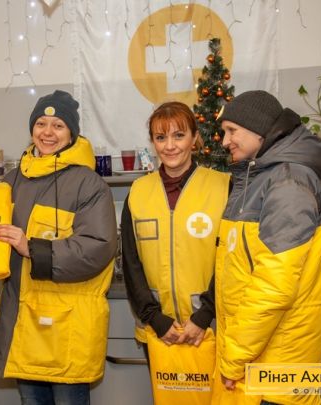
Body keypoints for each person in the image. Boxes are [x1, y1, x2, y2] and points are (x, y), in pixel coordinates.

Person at [0, 90, 117, 405]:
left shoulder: (89, 184)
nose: (48, 132)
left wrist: (30, 247)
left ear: (72, 133)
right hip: (23, 320)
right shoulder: (11, 181)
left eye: (58, 125)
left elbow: (97, 248)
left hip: (65, 327)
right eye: (41, 124)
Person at [213, 90, 321, 405]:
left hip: (277, 368)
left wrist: (234, 357)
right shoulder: (259, 178)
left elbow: (273, 287)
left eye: (231, 131)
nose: (225, 141)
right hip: (260, 357)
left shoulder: (288, 182)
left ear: (259, 129)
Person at [120, 102, 230, 386]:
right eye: (161, 137)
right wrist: (154, 318)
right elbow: (131, 263)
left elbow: (232, 261)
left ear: (194, 138)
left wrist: (204, 315)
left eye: (179, 135)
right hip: (159, 330)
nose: (169, 146)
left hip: (211, 328)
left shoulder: (223, 187)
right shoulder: (138, 192)